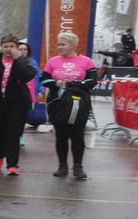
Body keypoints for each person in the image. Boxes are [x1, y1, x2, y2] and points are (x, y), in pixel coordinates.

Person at [40, 30, 98, 180]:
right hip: (58, 104)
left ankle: (78, 166)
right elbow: (43, 79)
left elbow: (92, 81)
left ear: (72, 45)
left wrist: (74, 84)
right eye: (58, 44)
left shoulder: (86, 61)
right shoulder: (53, 61)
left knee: (78, 136)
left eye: (62, 44)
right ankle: (62, 165)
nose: (59, 47)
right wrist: (55, 83)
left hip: (79, 104)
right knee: (61, 136)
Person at [0, 33, 35, 176]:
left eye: (12, 46)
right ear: (1, 47)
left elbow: (28, 75)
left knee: (13, 134)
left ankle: (12, 164)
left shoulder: (23, 61)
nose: (8, 49)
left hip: (17, 103)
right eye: (5, 46)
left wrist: (18, 58)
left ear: (17, 48)